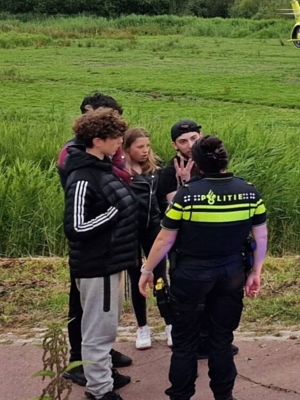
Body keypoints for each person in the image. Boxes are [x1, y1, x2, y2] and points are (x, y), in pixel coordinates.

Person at [139, 136, 268, 400]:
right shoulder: (249, 192)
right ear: (225, 160)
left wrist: (147, 270)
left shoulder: (187, 195)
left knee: (185, 342)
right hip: (231, 273)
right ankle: (224, 396)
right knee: (221, 339)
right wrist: (256, 271)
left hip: (190, 276)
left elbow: (165, 238)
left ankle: (181, 395)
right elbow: (261, 236)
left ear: (196, 163)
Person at [57, 93, 133, 389]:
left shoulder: (102, 168)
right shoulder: (83, 176)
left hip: (111, 261)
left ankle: (101, 379)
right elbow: (75, 227)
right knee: (97, 332)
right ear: (97, 140)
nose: (119, 142)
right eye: (114, 137)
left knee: (104, 329)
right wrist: (114, 213)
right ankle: (100, 389)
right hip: (97, 266)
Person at [124, 127, 172, 350]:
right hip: (130, 231)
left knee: (161, 275)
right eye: (139, 147)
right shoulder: (120, 172)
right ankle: (142, 327)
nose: (145, 151)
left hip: (154, 228)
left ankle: (170, 323)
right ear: (126, 148)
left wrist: (168, 225)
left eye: (147, 146)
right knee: (136, 277)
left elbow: (163, 201)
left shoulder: (155, 170)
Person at [156, 119, 203, 207]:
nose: (190, 145)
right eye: (183, 141)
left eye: (194, 138)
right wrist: (184, 183)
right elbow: (175, 207)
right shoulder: (170, 171)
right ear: (175, 145)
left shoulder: (210, 162)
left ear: (201, 136)